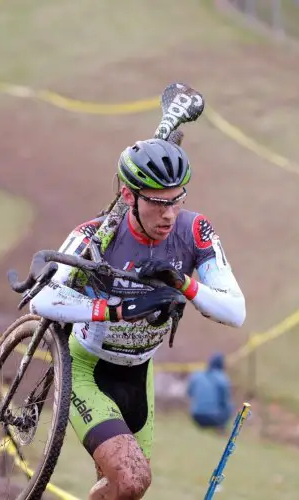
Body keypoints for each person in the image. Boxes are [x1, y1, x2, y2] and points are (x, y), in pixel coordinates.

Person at [30, 137, 247, 500]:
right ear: (129, 197)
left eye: (178, 200)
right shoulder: (96, 235)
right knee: (131, 478)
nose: (169, 214)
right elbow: (41, 296)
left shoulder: (194, 232)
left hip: (139, 372)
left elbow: (235, 311)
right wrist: (114, 310)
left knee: (128, 491)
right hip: (88, 369)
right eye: (159, 203)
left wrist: (184, 282)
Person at [187, 352, 234, 434]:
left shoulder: (197, 375)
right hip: (213, 417)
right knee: (230, 407)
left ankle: (202, 427)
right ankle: (220, 429)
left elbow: (189, 393)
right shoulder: (222, 378)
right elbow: (224, 401)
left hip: (196, 416)